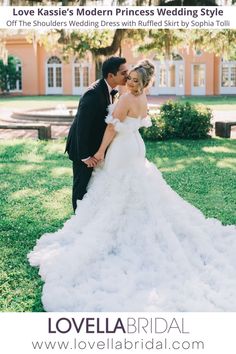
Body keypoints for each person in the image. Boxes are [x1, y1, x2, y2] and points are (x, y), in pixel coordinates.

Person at [28, 59, 236, 312]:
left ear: (142, 81)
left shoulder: (126, 99)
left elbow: (111, 130)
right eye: (127, 76)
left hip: (122, 149)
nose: (128, 80)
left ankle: (106, 227)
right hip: (136, 147)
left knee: (117, 188)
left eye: (133, 78)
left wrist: (101, 152)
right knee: (137, 188)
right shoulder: (142, 99)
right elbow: (135, 122)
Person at [65, 56, 128, 212]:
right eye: (123, 72)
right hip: (82, 149)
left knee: (90, 185)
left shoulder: (111, 90)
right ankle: (77, 220)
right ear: (111, 76)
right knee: (81, 186)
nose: (127, 75)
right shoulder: (93, 94)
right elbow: (82, 127)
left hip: (94, 147)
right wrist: (85, 156)